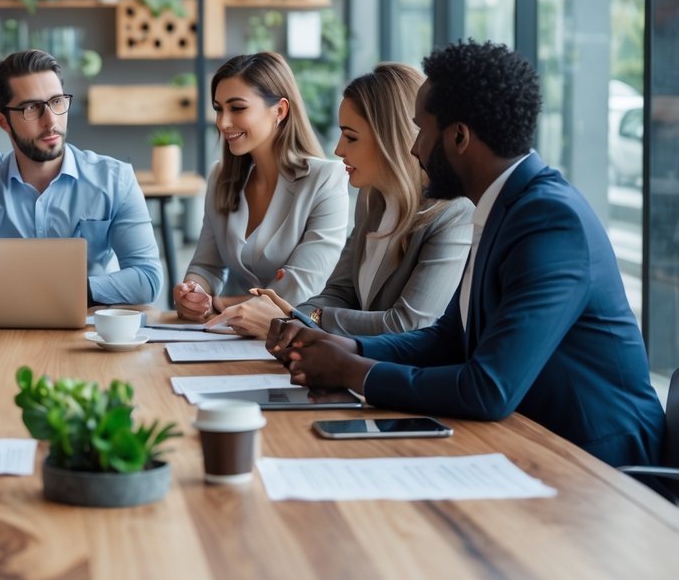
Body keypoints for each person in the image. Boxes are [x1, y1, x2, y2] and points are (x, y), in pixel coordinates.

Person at [265, 40, 664, 467]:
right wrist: (346, 345)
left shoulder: (549, 221)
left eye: (422, 129)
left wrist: (350, 371)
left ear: (458, 137)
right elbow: (448, 339)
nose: (415, 147)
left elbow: (489, 388)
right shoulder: (504, 206)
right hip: (532, 445)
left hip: (601, 468)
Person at [208, 63, 473, 337]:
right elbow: (339, 291)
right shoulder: (372, 200)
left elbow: (406, 324)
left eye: (351, 137)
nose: (338, 149)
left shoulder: (454, 214)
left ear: (390, 140)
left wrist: (299, 319)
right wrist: (292, 317)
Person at [0, 50, 162, 306]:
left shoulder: (115, 180)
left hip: (86, 329)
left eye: (56, 101)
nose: (51, 121)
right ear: (3, 122)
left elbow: (148, 279)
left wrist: (66, 290)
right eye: (31, 107)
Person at [174, 52, 348, 320]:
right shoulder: (221, 177)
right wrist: (193, 292)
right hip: (237, 339)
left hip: (304, 339)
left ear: (279, 110)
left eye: (237, 108)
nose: (223, 122)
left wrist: (223, 303)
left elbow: (301, 288)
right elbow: (206, 265)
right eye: (219, 108)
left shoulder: (326, 179)